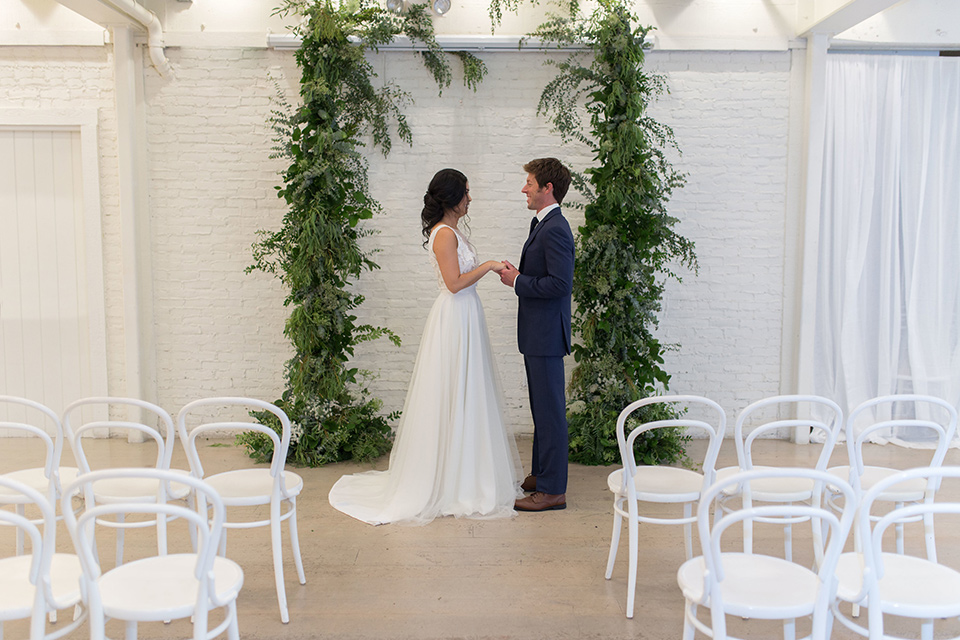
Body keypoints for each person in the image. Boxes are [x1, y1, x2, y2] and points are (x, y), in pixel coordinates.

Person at [328, 168, 522, 525]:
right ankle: (450, 481)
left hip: (466, 315)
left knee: (468, 392)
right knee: (451, 392)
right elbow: (453, 283)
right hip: (454, 316)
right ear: (450, 198)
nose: (470, 198)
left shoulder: (452, 231)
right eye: (466, 192)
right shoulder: (444, 235)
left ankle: (465, 473)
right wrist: (490, 265)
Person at [499, 158, 575, 512]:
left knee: (550, 412)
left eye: (529, 182)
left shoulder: (556, 228)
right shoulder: (544, 224)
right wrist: (520, 275)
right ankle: (542, 474)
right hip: (538, 333)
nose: (524, 189)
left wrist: (517, 280)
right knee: (541, 409)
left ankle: (553, 491)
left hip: (545, 335)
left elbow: (560, 285)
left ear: (548, 188)